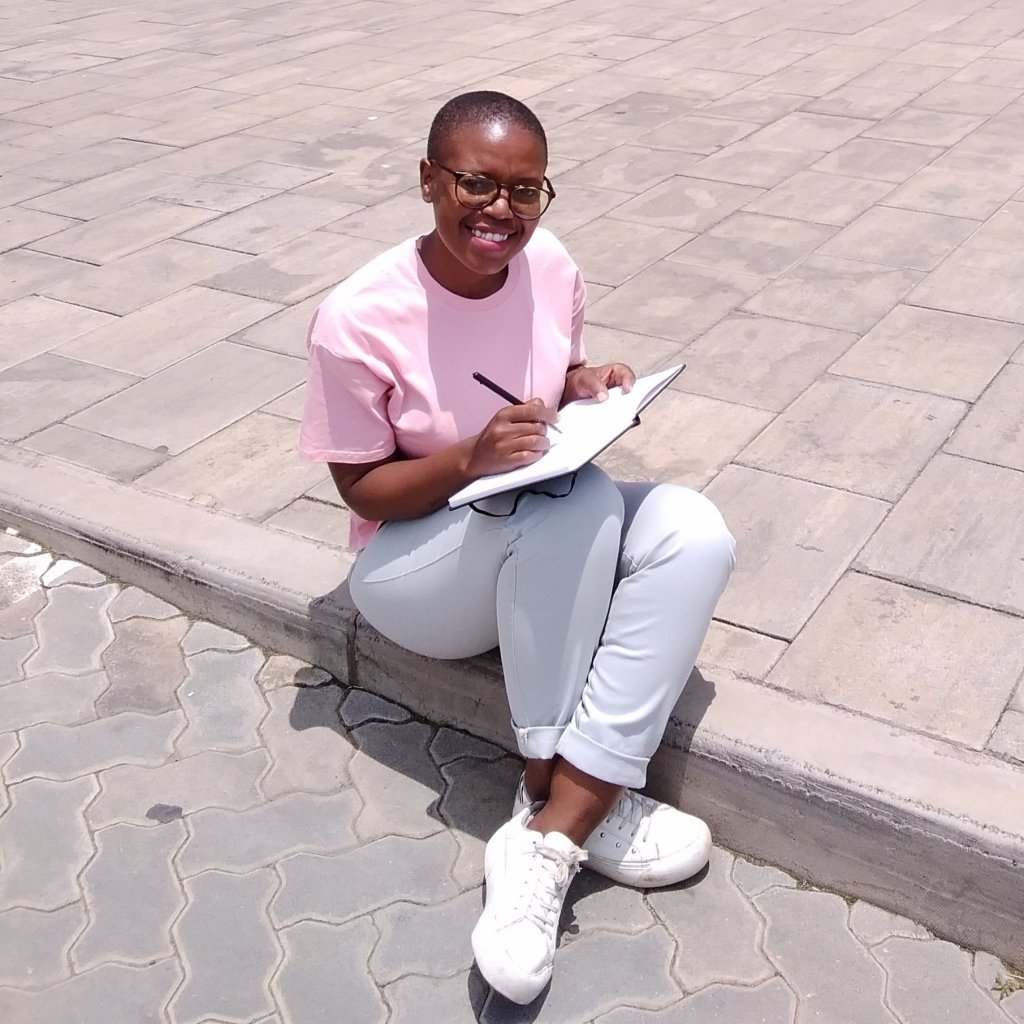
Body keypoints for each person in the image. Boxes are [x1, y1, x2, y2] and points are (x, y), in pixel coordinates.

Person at [299, 90, 736, 1005]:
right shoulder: (359, 318)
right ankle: (548, 780)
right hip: (413, 571)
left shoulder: (552, 267)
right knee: (577, 504)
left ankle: (557, 826)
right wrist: (468, 457)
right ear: (429, 180)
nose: (502, 210)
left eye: (527, 190)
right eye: (477, 184)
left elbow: (545, 378)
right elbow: (361, 488)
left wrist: (587, 383)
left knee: (692, 532)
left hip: (532, 512)